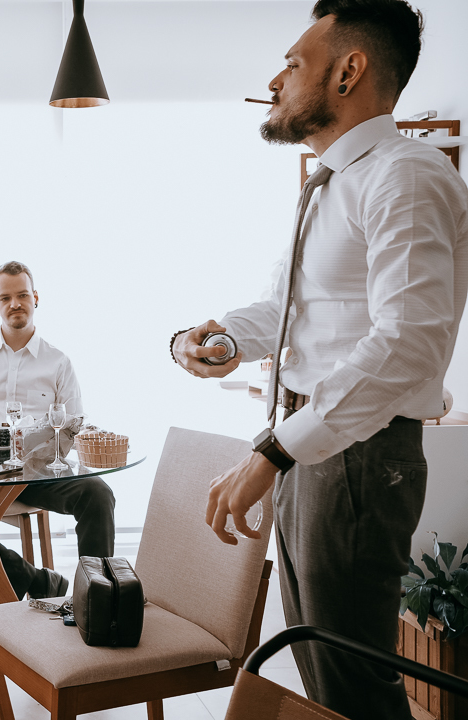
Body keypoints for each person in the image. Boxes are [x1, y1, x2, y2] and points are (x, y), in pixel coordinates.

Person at [170, 2, 467, 718]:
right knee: (321, 671)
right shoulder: (332, 184)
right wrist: (221, 339)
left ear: (348, 71)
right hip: (313, 443)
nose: (276, 81)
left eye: (292, 63)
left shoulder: (407, 176)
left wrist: (273, 452)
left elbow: (407, 344)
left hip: (359, 455)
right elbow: (288, 308)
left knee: (351, 682)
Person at [0, 261, 115, 599]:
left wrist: (36, 439)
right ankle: (36, 581)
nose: (15, 304)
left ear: (35, 297)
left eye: (22, 295)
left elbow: (73, 422)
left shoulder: (58, 361)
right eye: (5, 298)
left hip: (37, 470)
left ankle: (96, 599)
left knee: (98, 494)